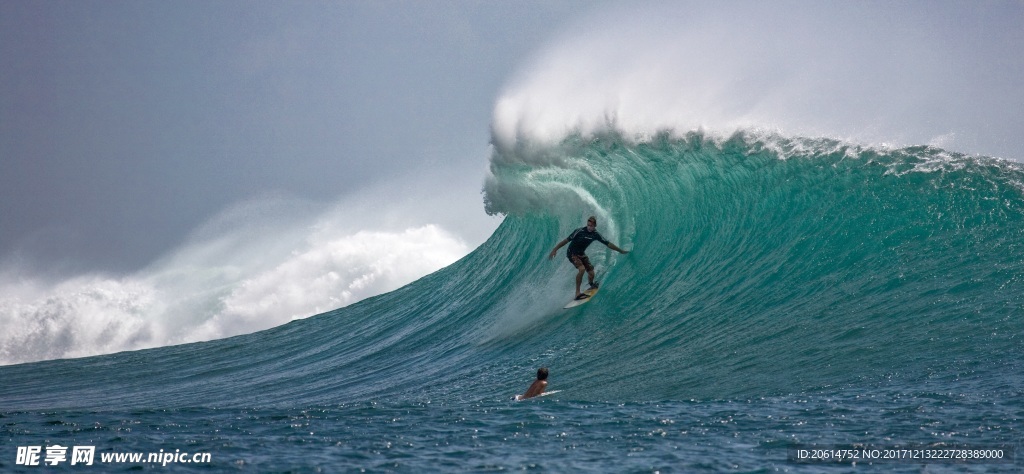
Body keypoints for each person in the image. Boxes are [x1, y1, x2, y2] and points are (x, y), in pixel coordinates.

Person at [548, 216, 629, 300]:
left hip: (581, 253)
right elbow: (565, 241)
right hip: (572, 253)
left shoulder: (595, 234)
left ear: (595, 226)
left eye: (591, 226)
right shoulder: (579, 231)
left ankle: (591, 284)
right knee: (582, 269)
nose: (589, 227)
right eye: (588, 225)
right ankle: (577, 293)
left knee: (591, 273)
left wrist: (620, 251)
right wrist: (555, 249)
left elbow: (608, 243)